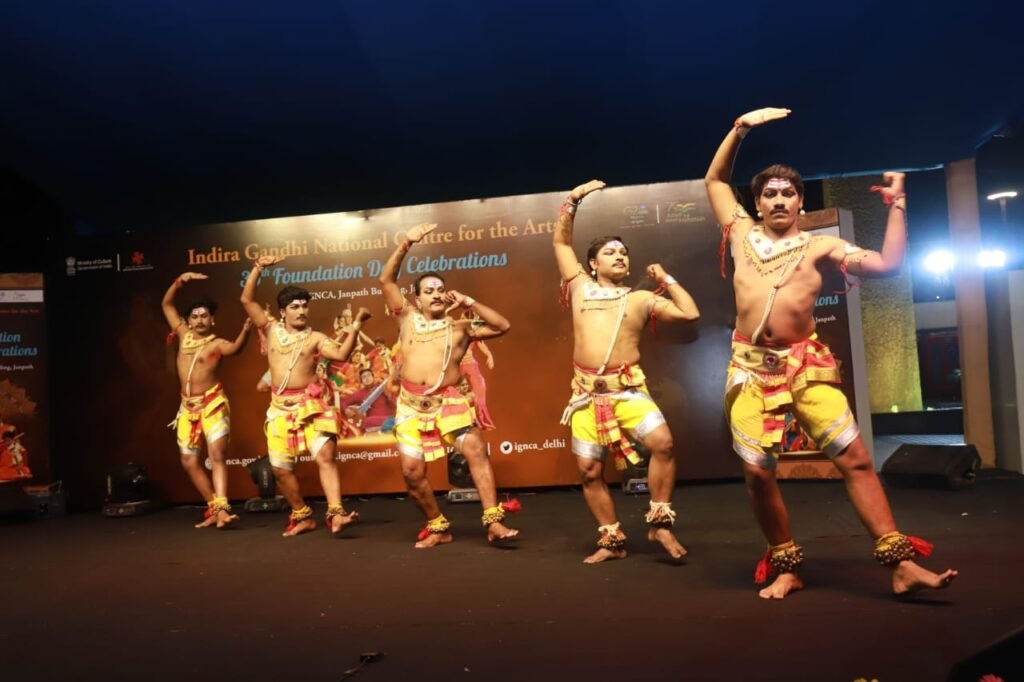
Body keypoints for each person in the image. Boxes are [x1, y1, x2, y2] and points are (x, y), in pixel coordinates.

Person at [705, 107, 958, 598]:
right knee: (757, 472)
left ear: (801, 202)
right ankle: (787, 566)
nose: (779, 199)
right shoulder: (739, 232)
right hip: (750, 370)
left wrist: (897, 204)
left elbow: (886, 265)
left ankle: (901, 565)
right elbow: (715, 180)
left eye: (788, 193)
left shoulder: (820, 246)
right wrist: (740, 130)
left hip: (804, 367)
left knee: (856, 459)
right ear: (756, 203)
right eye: (769, 193)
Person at [553, 180, 700, 563]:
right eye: (610, 252)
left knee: (663, 444)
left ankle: (660, 523)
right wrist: (573, 200)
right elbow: (561, 244)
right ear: (593, 264)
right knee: (589, 471)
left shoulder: (641, 298)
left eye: (623, 253)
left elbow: (689, 313)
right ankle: (612, 541)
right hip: (586, 396)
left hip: (628, 392)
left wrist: (665, 279)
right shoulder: (580, 287)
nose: (619, 256)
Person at [379, 223, 518, 547]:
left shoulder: (461, 328)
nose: (436, 294)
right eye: (429, 291)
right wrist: (406, 243)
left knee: (476, 450)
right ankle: (438, 526)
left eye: (440, 290)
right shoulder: (406, 317)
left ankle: (494, 522)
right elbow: (386, 280)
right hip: (411, 406)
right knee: (412, 473)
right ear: (417, 298)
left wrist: (470, 300)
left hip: (448, 403)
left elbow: (503, 325)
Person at [241, 255, 370, 537]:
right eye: (295, 307)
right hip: (279, 409)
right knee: (280, 470)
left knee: (325, 456)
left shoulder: (316, 338)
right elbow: (247, 300)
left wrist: (356, 326)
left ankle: (336, 513)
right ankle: (302, 515)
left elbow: (340, 354)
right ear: (282, 312)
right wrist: (258, 268)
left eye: (304, 306)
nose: (301, 311)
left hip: (311, 406)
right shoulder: (271, 329)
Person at [162, 272, 251, 528]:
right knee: (189, 461)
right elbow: (167, 304)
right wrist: (180, 280)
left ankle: (223, 509)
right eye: (195, 316)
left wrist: (245, 332)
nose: (199, 320)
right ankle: (214, 508)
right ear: (188, 321)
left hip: (212, 403)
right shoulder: (182, 334)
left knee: (217, 455)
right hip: (187, 407)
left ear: (212, 320)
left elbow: (235, 349)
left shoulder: (217, 344)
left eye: (204, 316)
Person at [458, 310, 496, 430]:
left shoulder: (473, 332)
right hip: (457, 366)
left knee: (480, 387)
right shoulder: (455, 330)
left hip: (470, 364)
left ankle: (481, 420)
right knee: (455, 394)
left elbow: (481, 343)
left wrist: (489, 355)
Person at [340, 367, 396, 431]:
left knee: (368, 421)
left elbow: (396, 404)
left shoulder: (384, 387)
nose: (367, 378)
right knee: (367, 421)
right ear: (361, 381)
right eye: (364, 377)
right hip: (373, 423)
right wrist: (346, 410)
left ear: (373, 377)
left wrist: (389, 396)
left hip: (390, 418)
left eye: (369, 375)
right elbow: (343, 403)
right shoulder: (360, 393)